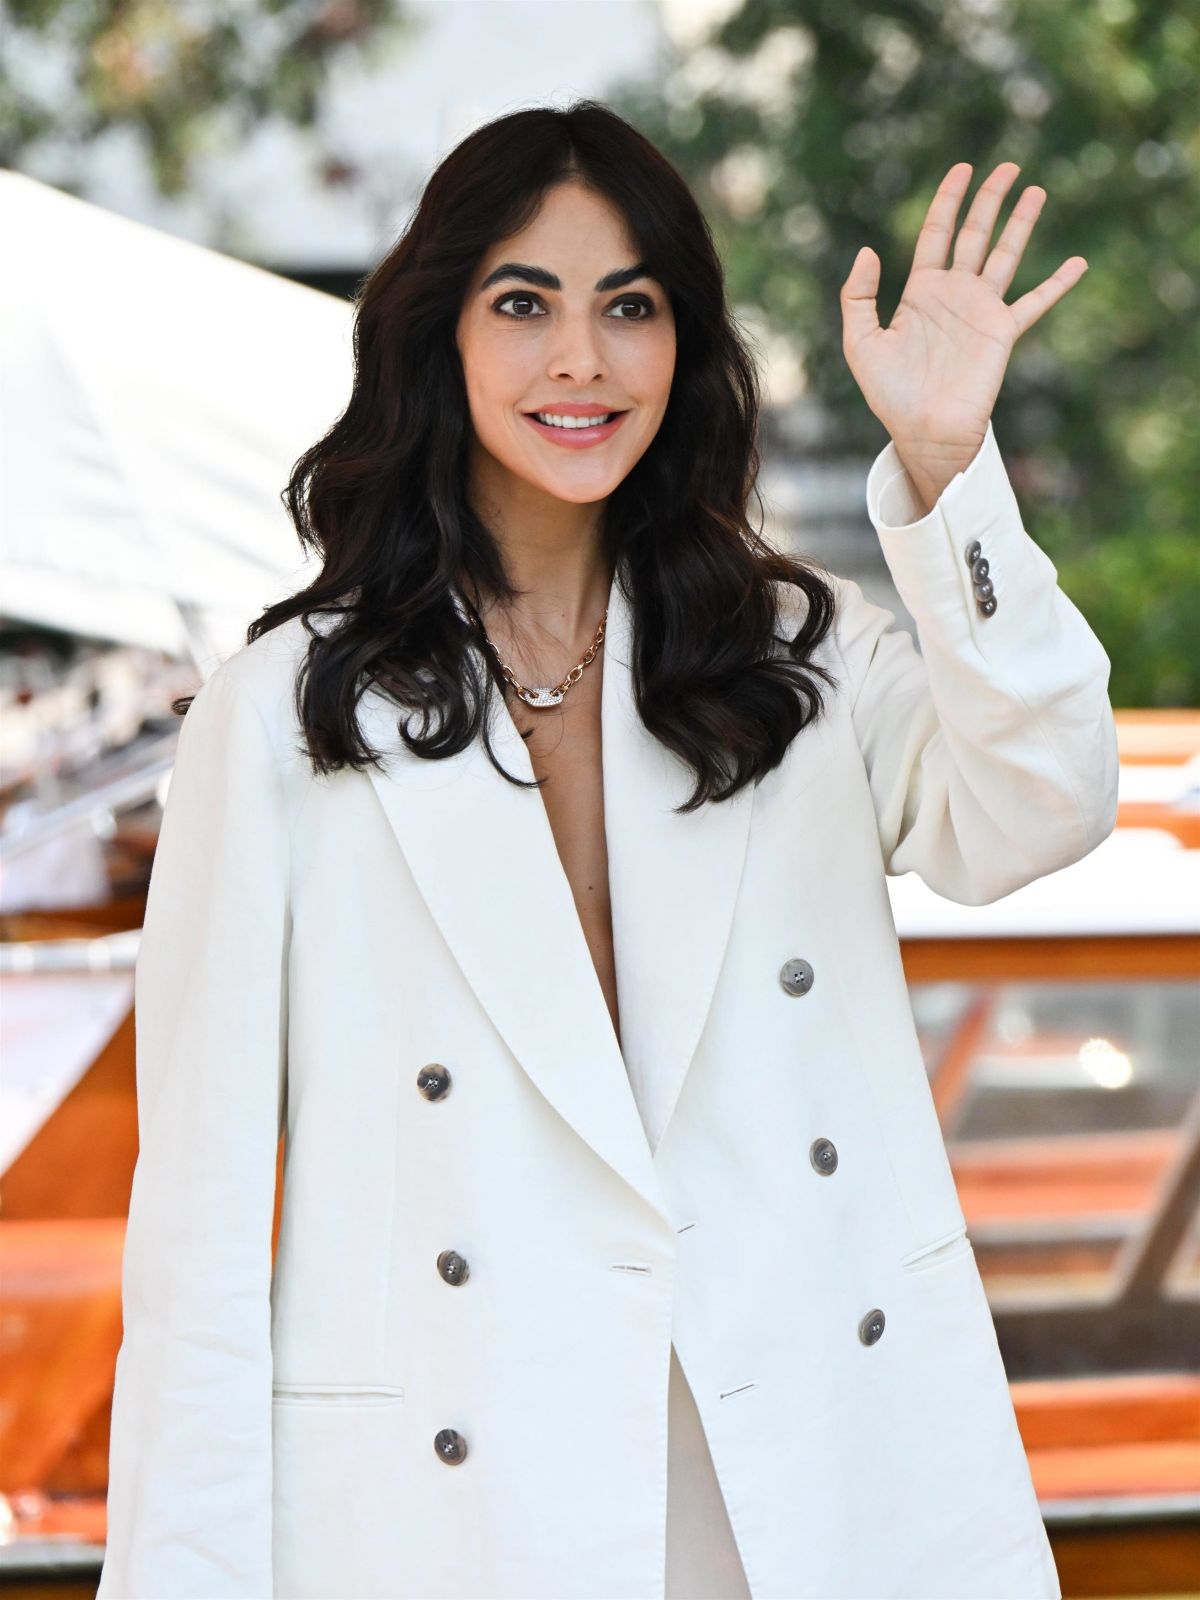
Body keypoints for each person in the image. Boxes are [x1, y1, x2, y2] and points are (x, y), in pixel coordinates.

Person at [98, 101, 1115, 1599]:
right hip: (454, 1507)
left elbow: (1047, 801)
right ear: (436, 334)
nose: (580, 359)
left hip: (812, 1474)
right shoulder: (280, 719)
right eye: (524, 304)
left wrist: (949, 465)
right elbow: (193, 1234)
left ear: (682, 350)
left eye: (628, 307)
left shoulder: (799, 658)